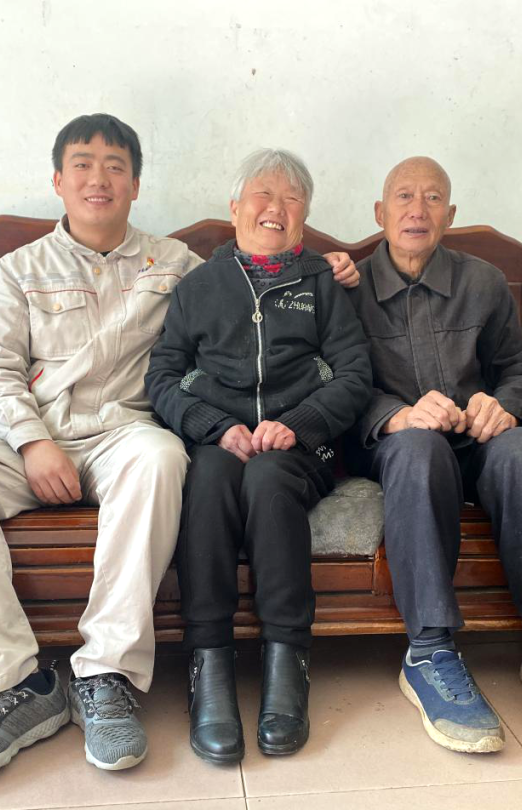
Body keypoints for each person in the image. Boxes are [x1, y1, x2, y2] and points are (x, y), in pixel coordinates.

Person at [0, 115, 361, 781]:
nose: (99, 179)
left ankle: (105, 675)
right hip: (31, 441)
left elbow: (252, 272)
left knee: (162, 458)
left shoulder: (176, 264)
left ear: (135, 185)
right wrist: (32, 441)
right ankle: (9, 687)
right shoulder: (20, 269)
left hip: (124, 439)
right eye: (83, 164)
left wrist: (328, 268)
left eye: (115, 167)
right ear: (59, 180)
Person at [346, 156, 522, 754]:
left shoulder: (483, 282)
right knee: (418, 448)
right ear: (380, 212)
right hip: (402, 449)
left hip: (478, 441)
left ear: (451, 214)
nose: (417, 210)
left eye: (433, 198)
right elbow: (339, 384)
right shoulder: (351, 291)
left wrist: (505, 405)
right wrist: (397, 414)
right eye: (404, 197)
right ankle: (429, 652)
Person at [146, 148, 372, 763]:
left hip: (302, 445)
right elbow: (162, 377)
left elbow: (356, 374)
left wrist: (296, 424)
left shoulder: (323, 284)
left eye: (292, 198)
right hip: (218, 440)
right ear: (235, 208)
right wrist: (214, 426)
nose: (276, 207)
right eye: (263, 195)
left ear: (304, 217)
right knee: (210, 479)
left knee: (269, 479)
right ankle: (208, 659)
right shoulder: (199, 286)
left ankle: (287, 657)